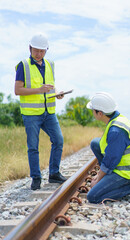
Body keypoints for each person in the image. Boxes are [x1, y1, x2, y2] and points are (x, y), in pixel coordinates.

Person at [15, 33, 67, 190]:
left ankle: (54, 174)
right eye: (36, 50)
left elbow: (50, 86)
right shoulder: (23, 65)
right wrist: (39, 90)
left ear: (47, 50)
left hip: (49, 113)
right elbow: (18, 90)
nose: (39, 54)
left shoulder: (50, 64)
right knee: (33, 147)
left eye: (42, 51)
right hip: (31, 115)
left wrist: (57, 94)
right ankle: (36, 178)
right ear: (30, 49)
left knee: (58, 140)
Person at [86, 92, 130, 204]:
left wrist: (98, 179)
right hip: (124, 165)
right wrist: (100, 175)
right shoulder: (117, 119)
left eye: (93, 110)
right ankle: (110, 179)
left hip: (129, 172)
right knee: (95, 143)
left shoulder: (116, 131)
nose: (92, 112)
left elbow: (111, 160)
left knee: (93, 196)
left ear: (100, 113)